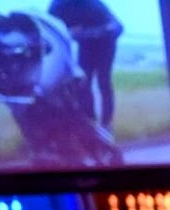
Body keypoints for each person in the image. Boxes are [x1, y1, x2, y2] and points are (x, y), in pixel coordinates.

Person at [48, 0, 124, 130]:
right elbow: (50, 26)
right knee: (83, 81)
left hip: (105, 42)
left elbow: (118, 27)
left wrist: (86, 32)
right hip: (86, 43)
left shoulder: (92, 4)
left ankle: (106, 123)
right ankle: (89, 120)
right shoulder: (57, 5)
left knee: (103, 80)